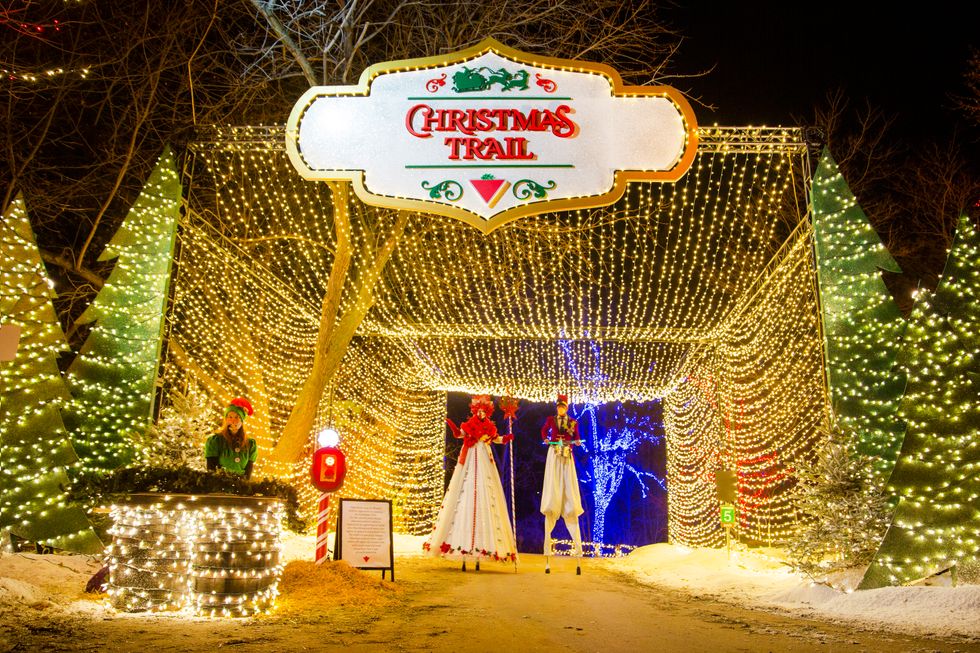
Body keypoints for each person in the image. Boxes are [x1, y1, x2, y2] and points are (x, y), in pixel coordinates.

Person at [423, 394, 517, 571]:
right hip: (470, 459)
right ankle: (460, 547)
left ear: (487, 412)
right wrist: (451, 425)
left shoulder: (489, 426)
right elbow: (460, 434)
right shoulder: (469, 425)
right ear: (475, 410)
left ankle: (484, 549)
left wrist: (506, 438)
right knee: (464, 493)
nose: (481, 413)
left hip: (484, 459)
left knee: (486, 493)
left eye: (484, 411)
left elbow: (496, 438)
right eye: (479, 410)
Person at [540, 393, 584, 574]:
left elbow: (577, 436)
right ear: (556, 408)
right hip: (554, 452)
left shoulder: (572, 422)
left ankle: (578, 553)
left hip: (566, 453)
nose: (560, 409)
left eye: (563, 407)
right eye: (559, 407)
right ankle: (547, 558)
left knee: (568, 486)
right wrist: (546, 439)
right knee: (553, 487)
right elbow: (544, 431)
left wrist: (577, 442)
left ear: (566, 408)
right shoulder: (551, 419)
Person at [205, 397, 257, 480]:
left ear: (242, 420)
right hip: (220, 486)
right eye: (230, 417)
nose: (233, 421)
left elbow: (248, 471)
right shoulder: (215, 441)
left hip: (240, 486)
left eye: (237, 417)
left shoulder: (250, 444)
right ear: (226, 419)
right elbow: (211, 469)